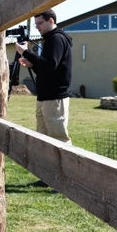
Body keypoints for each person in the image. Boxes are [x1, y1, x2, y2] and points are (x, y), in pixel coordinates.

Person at [16, 9, 73, 144]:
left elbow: (50, 65)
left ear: (51, 21)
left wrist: (26, 52)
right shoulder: (49, 39)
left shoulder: (57, 38)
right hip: (45, 98)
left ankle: (63, 166)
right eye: (36, 25)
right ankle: (46, 165)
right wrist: (32, 65)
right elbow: (47, 69)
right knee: (42, 140)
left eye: (40, 23)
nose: (38, 27)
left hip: (54, 98)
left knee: (59, 142)